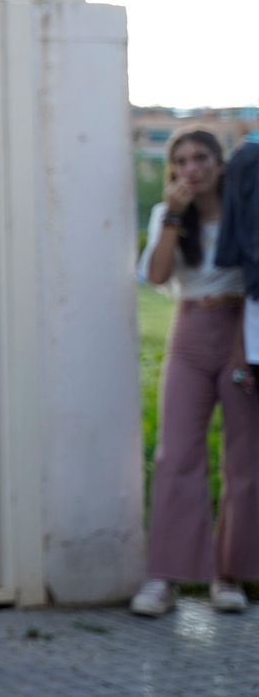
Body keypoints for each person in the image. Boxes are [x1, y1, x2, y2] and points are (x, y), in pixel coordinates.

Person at [131, 127, 259, 616]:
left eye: (201, 157)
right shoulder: (169, 215)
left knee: (244, 457)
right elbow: (158, 276)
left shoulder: (244, 210)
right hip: (189, 332)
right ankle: (165, 576)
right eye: (181, 160)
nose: (192, 168)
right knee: (176, 453)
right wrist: (173, 218)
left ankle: (230, 576)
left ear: (220, 164)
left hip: (238, 332)